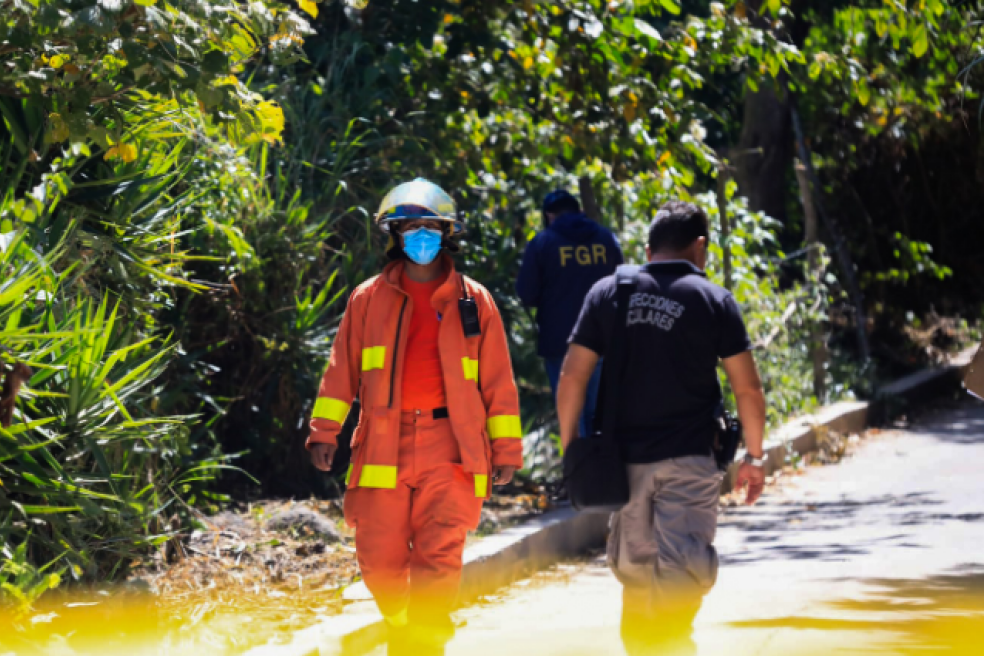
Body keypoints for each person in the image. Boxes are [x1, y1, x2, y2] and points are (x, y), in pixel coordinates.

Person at [305, 179, 523, 655]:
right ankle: (405, 625)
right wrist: (325, 431)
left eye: (430, 227)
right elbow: (341, 369)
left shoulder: (474, 301)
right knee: (378, 559)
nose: (421, 236)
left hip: (452, 447)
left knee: (439, 556)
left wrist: (506, 449)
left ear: (447, 233)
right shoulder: (368, 299)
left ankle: (423, 639)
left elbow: (498, 382)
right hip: (384, 442)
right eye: (411, 227)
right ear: (395, 234)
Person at [556, 201, 767, 655]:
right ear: (701, 247)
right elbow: (747, 389)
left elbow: (572, 374)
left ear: (648, 249)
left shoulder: (609, 292)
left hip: (623, 465)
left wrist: (571, 446)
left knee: (635, 575)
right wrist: (754, 456)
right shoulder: (713, 300)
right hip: (690, 462)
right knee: (681, 575)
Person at [516, 189, 623, 439]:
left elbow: (526, 294)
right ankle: (598, 472)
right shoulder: (606, 239)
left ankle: (581, 473)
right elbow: (623, 286)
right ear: (580, 211)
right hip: (602, 340)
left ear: (549, 216)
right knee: (597, 410)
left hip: (559, 342)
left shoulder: (542, 243)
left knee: (571, 413)